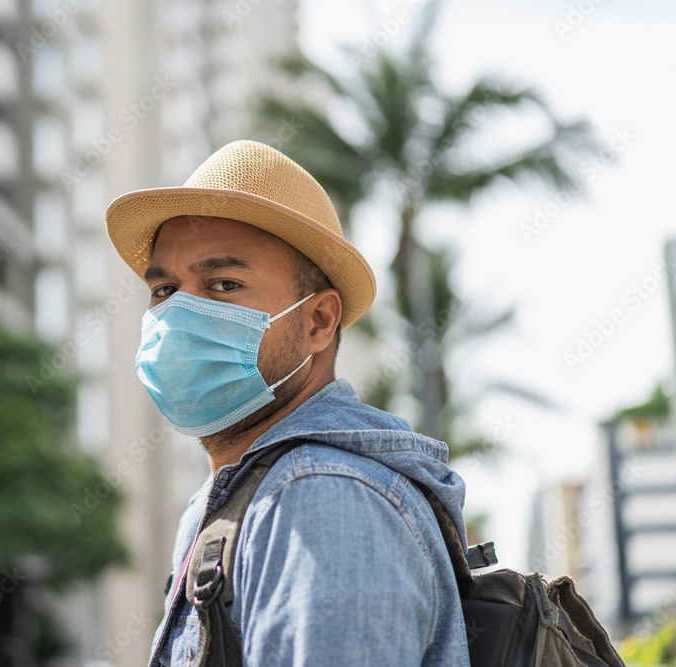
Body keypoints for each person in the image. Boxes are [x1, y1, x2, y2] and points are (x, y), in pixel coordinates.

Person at [104, 140, 470, 666]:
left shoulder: (322, 497)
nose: (181, 314)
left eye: (224, 284)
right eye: (165, 291)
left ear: (318, 321)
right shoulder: (240, 496)